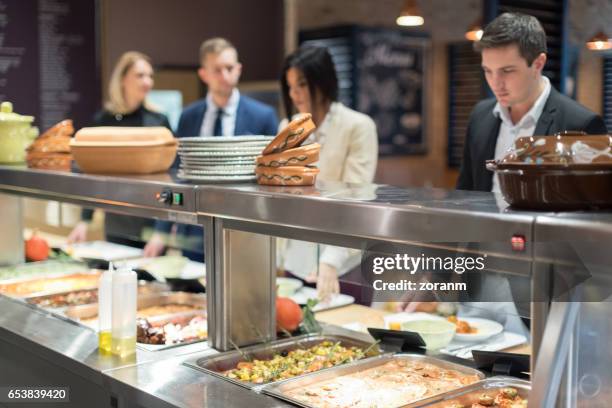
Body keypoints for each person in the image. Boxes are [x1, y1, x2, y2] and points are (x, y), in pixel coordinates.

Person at [144, 38, 279, 260]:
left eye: (229, 68)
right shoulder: (188, 117)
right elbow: (176, 175)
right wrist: (162, 231)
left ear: (239, 69)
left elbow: (272, 180)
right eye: (217, 70)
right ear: (204, 74)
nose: (225, 76)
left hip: (245, 231)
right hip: (195, 233)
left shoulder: (263, 117)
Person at [457, 12, 608, 192]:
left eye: (507, 70)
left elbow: (594, 210)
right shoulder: (480, 116)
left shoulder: (583, 124)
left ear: (538, 63)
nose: (495, 83)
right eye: (488, 70)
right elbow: (465, 192)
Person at [277, 45, 378, 301]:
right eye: (290, 86)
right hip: (295, 258)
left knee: (346, 335)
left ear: (322, 82)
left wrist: (331, 260)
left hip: (346, 263)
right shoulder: (288, 128)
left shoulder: (358, 126)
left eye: (301, 84)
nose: (294, 94)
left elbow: (354, 198)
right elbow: (281, 196)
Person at [68, 51, 171, 247]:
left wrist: (161, 232)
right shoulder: (103, 120)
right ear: (123, 79)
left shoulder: (159, 121)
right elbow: (93, 174)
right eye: (140, 75)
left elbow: (169, 180)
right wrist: (85, 220)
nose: (148, 81)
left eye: (150, 76)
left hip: (152, 217)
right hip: (116, 220)